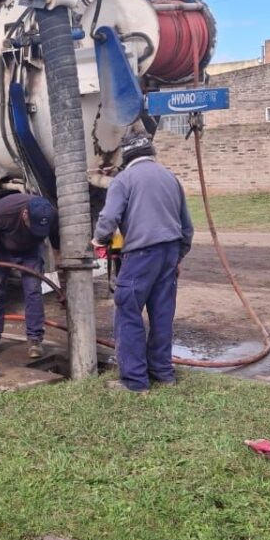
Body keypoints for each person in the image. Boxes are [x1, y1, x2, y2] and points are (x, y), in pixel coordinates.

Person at [92, 133, 193, 394]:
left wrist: (98, 239)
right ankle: (162, 372)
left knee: (128, 311)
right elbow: (187, 226)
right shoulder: (170, 178)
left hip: (140, 254)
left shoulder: (123, 180)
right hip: (169, 252)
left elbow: (109, 216)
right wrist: (177, 256)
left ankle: (135, 381)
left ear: (125, 157)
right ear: (151, 152)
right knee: (161, 314)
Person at [0, 193, 60, 359]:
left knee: (34, 292)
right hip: (1, 249)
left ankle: (35, 340)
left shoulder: (50, 215)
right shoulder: (3, 211)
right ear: (24, 214)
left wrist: (63, 281)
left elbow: (57, 248)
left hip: (30, 252)